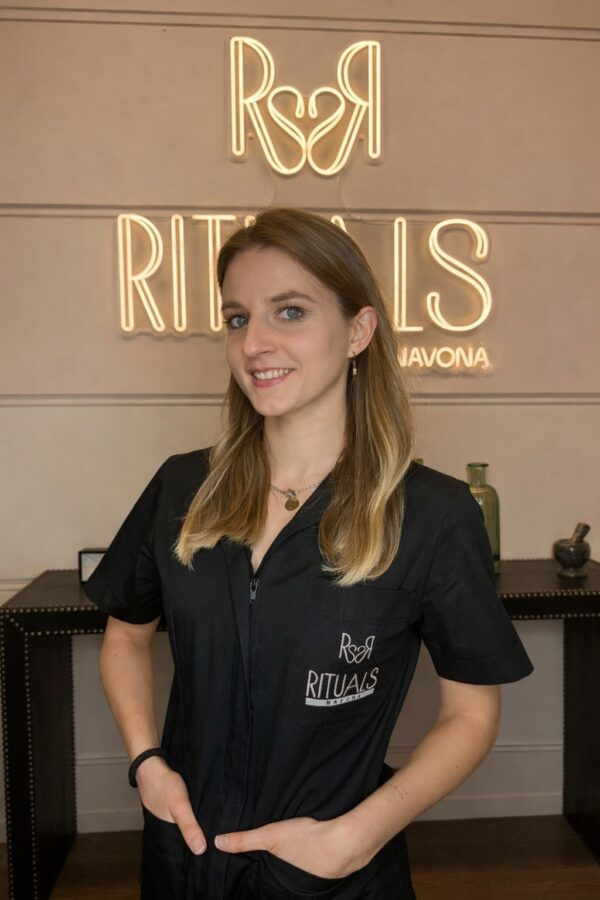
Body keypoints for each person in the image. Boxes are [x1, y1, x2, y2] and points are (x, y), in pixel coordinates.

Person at [84, 206, 534, 899]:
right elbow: (126, 633)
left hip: (332, 875)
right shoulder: (183, 486)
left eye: (289, 312)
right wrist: (147, 762)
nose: (255, 343)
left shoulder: (433, 515)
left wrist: (360, 835)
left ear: (358, 331)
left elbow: (472, 713)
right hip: (187, 860)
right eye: (238, 318)